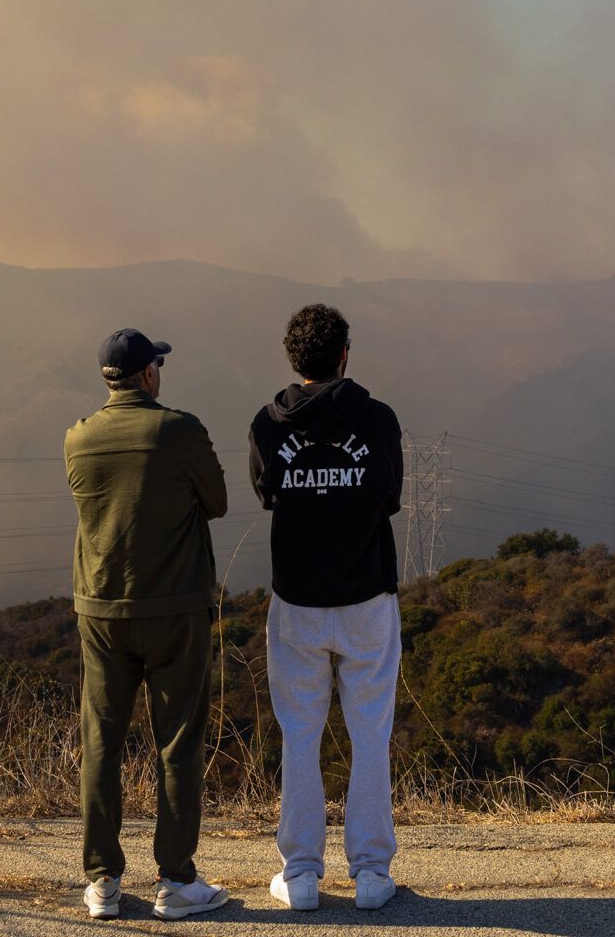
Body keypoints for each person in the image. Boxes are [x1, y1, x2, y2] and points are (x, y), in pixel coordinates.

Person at [65, 327, 231, 920]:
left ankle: (102, 881)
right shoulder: (180, 431)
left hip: (102, 611)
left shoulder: (78, 439)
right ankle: (177, 881)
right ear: (150, 374)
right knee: (178, 743)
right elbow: (217, 501)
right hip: (174, 610)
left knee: (101, 744)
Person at [248, 303, 404, 913]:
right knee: (370, 734)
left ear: (295, 359)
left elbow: (268, 492)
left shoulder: (266, 423)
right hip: (366, 595)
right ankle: (370, 874)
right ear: (344, 356)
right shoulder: (378, 418)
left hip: (296, 602)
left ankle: (303, 875)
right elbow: (388, 494)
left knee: (299, 735)